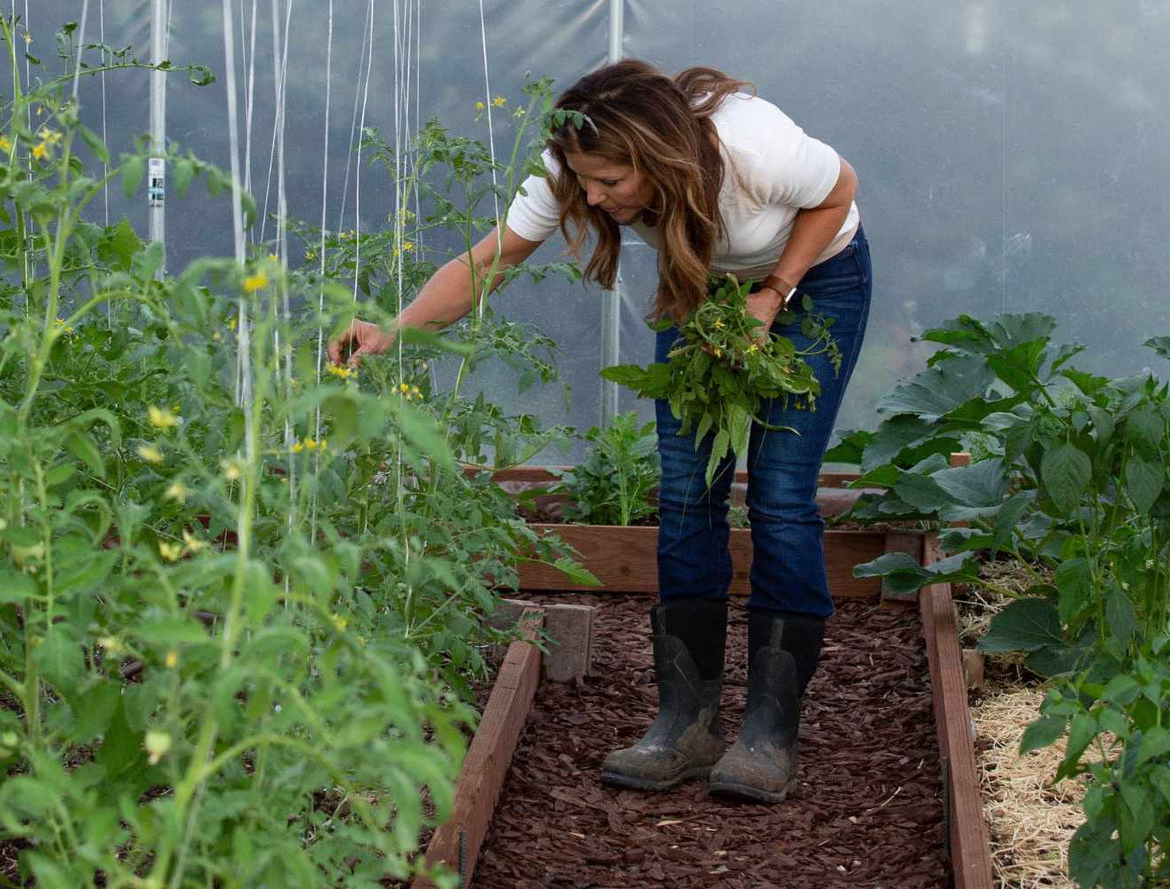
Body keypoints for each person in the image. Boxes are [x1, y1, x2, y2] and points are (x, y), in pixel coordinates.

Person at [328, 59, 870, 804]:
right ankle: (686, 722)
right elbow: (492, 260)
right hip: (701, 282)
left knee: (778, 493)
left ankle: (769, 732)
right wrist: (391, 331)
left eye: (610, 181)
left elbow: (840, 188)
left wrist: (773, 294)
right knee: (684, 491)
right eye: (584, 180)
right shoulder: (572, 162)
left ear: (657, 155)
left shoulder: (753, 148)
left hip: (815, 282)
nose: (591, 196)